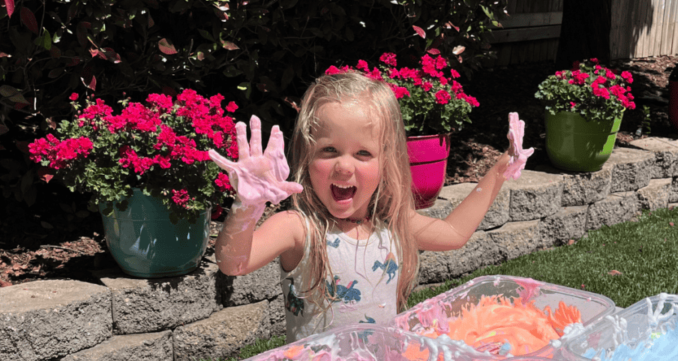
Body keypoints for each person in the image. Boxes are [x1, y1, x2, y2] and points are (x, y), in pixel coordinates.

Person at [209, 70, 533, 342]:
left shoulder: (391, 224)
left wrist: (501, 169)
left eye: (362, 154)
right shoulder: (298, 228)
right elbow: (233, 264)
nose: (344, 167)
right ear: (306, 157)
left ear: (385, 161)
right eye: (329, 150)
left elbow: (454, 233)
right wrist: (247, 205)